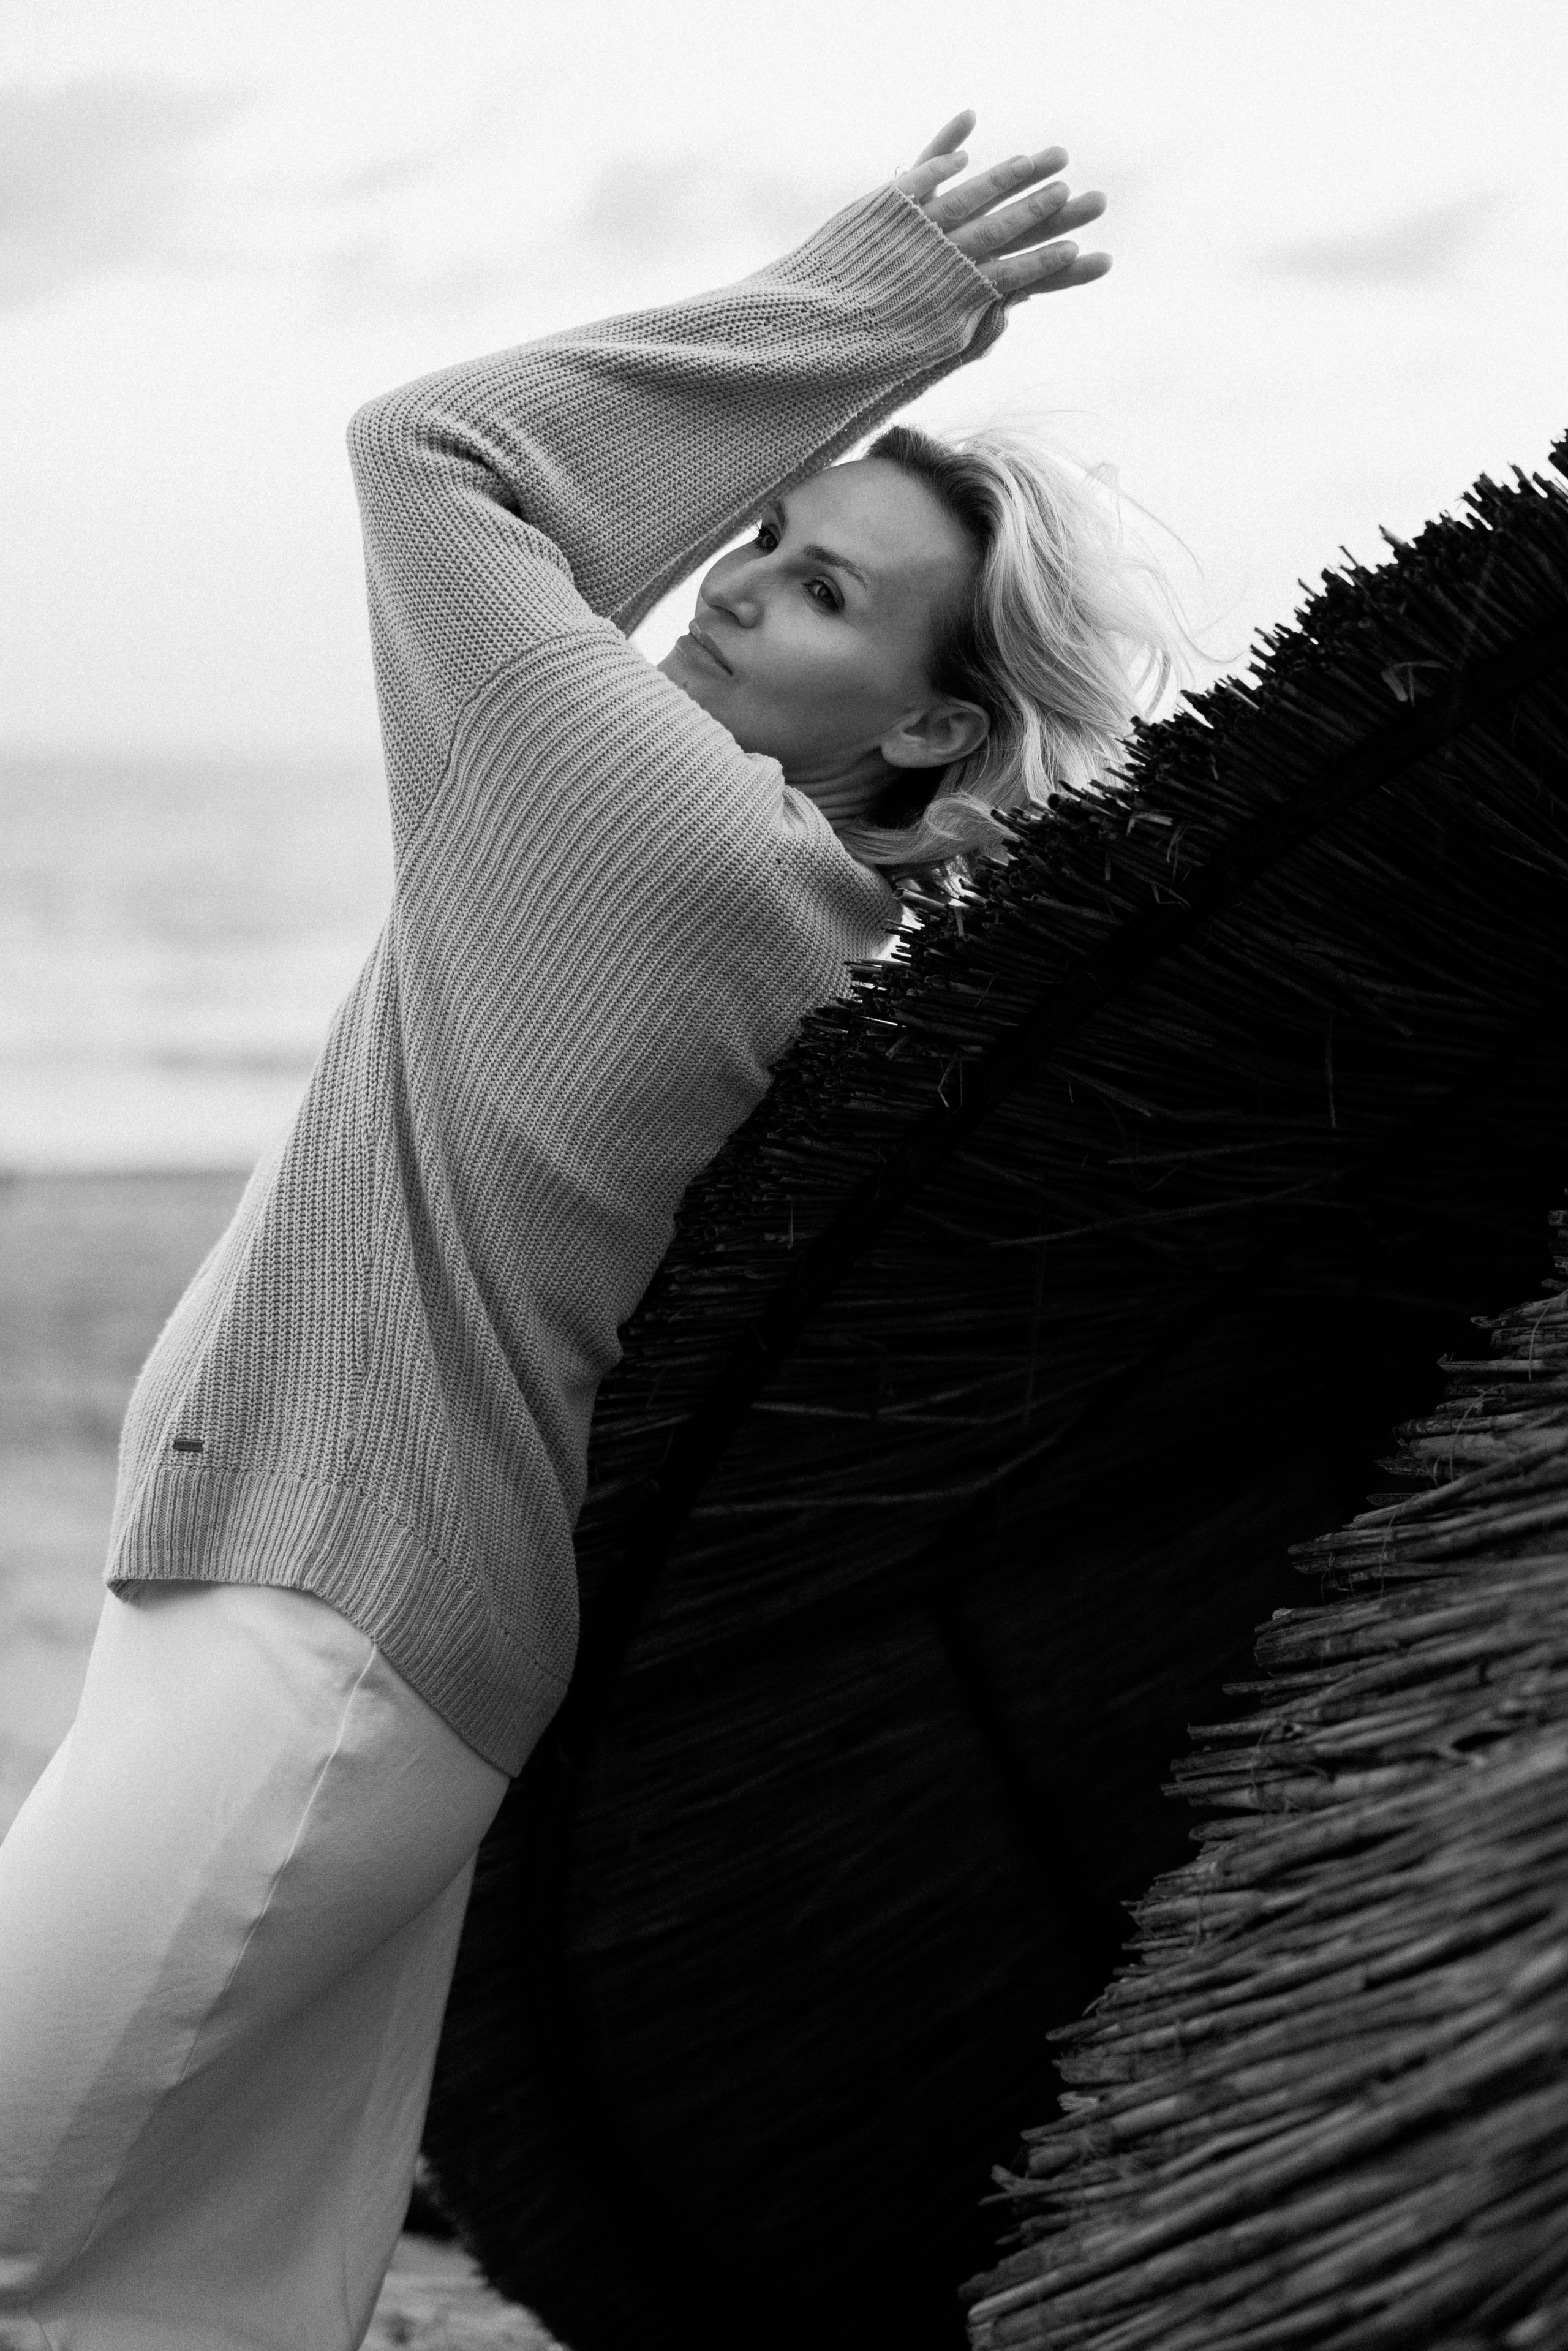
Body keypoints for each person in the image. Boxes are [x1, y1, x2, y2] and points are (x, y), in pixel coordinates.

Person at [0, 110, 1175, 2350]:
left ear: (936, 722)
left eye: (819, 592)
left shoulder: (661, 833)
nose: (729, 586)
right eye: (759, 534)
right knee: (186, 2301)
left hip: (317, 1631)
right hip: (344, 1621)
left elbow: (434, 453)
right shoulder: (819, 912)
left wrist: (876, 303)